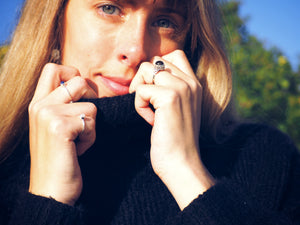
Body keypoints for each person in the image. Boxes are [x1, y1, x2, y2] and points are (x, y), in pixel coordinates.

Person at [0, 0, 299, 224]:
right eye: (110, 8)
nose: (137, 49)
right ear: (55, 20)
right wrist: (46, 200)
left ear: (191, 42)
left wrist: (187, 173)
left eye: (165, 21)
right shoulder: (6, 162)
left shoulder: (264, 156)